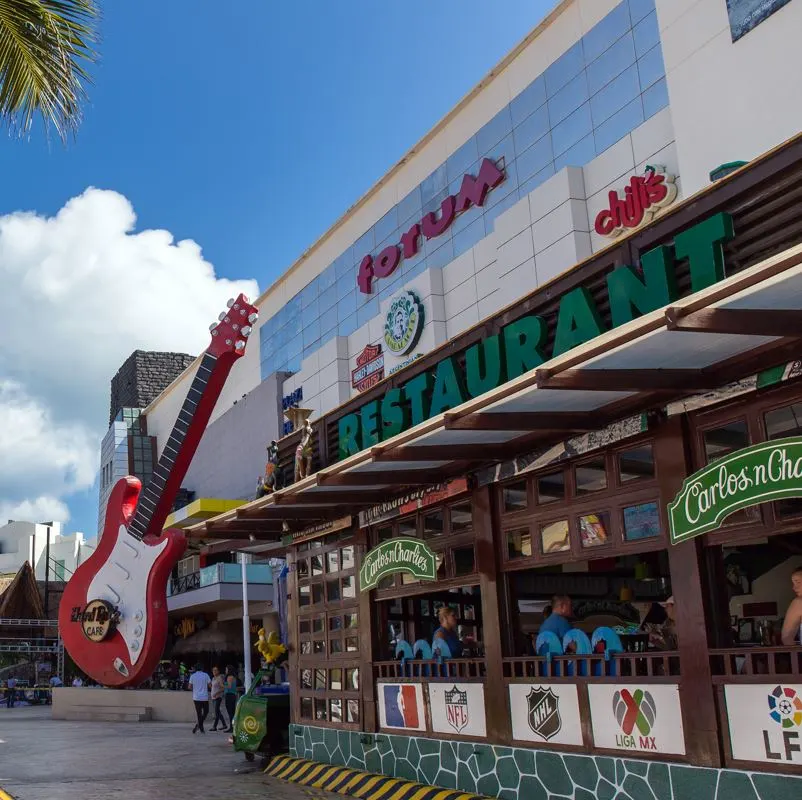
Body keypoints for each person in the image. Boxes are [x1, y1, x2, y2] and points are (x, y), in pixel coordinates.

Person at [781, 566, 802, 646]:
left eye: (798, 582)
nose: (794, 587)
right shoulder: (799, 603)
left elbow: (786, 637)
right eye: (793, 583)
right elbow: (787, 638)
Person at [188, 663, 211, 734]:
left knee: (199, 713)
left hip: (196, 697)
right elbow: (210, 685)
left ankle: (199, 726)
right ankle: (200, 727)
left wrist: (195, 689)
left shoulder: (193, 676)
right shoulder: (206, 675)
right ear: (202, 668)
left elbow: (189, 687)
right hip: (204, 697)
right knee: (206, 711)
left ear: (195, 669)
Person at [210, 666, 226, 731]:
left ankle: (214, 727)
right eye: (213, 670)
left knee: (217, 712)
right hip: (213, 698)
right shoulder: (213, 678)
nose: (214, 671)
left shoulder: (219, 678)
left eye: (216, 670)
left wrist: (216, 693)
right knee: (218, 712)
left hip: (218, 697)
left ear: (218, 671)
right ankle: (224, 725)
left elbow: (223, 688)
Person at [223, 665, 238, 731]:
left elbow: (229, 686)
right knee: (232, 712)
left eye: (226, 669)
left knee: (230, 712)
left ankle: (232, 728)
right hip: (232, 695)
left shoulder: (229, 677)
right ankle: (233, 727)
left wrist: (221, 685)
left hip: (229, 695)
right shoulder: (233, 677)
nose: (225, 671)